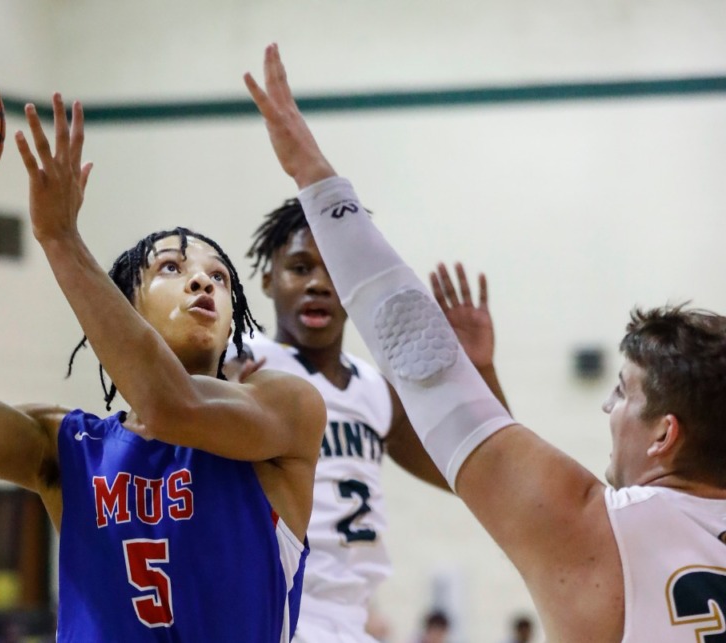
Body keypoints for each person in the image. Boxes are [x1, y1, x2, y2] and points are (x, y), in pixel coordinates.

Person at [246, 43, 726, 642]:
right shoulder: (245, 361)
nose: (608, 407)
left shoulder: (601, 531)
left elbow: (456, 422)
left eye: (622, 392)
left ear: (665, 433)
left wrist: (314, 176)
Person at [0, 86, 325, 641]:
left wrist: (60, 238)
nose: (202, 279)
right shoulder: (69, 451)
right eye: (170, 267)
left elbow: (170, 406)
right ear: (123, 308)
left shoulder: (286, 409)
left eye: (219, 277)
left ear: (232, 322)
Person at [226, 195, 507, 643]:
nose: (319, 283)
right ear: (267, 280)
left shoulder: (376, 388)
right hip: (273, 609)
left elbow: (487, 477)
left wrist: (478, 373)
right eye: (300, 268)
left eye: (336, 270)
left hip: (351, 617)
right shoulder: (242, 362)